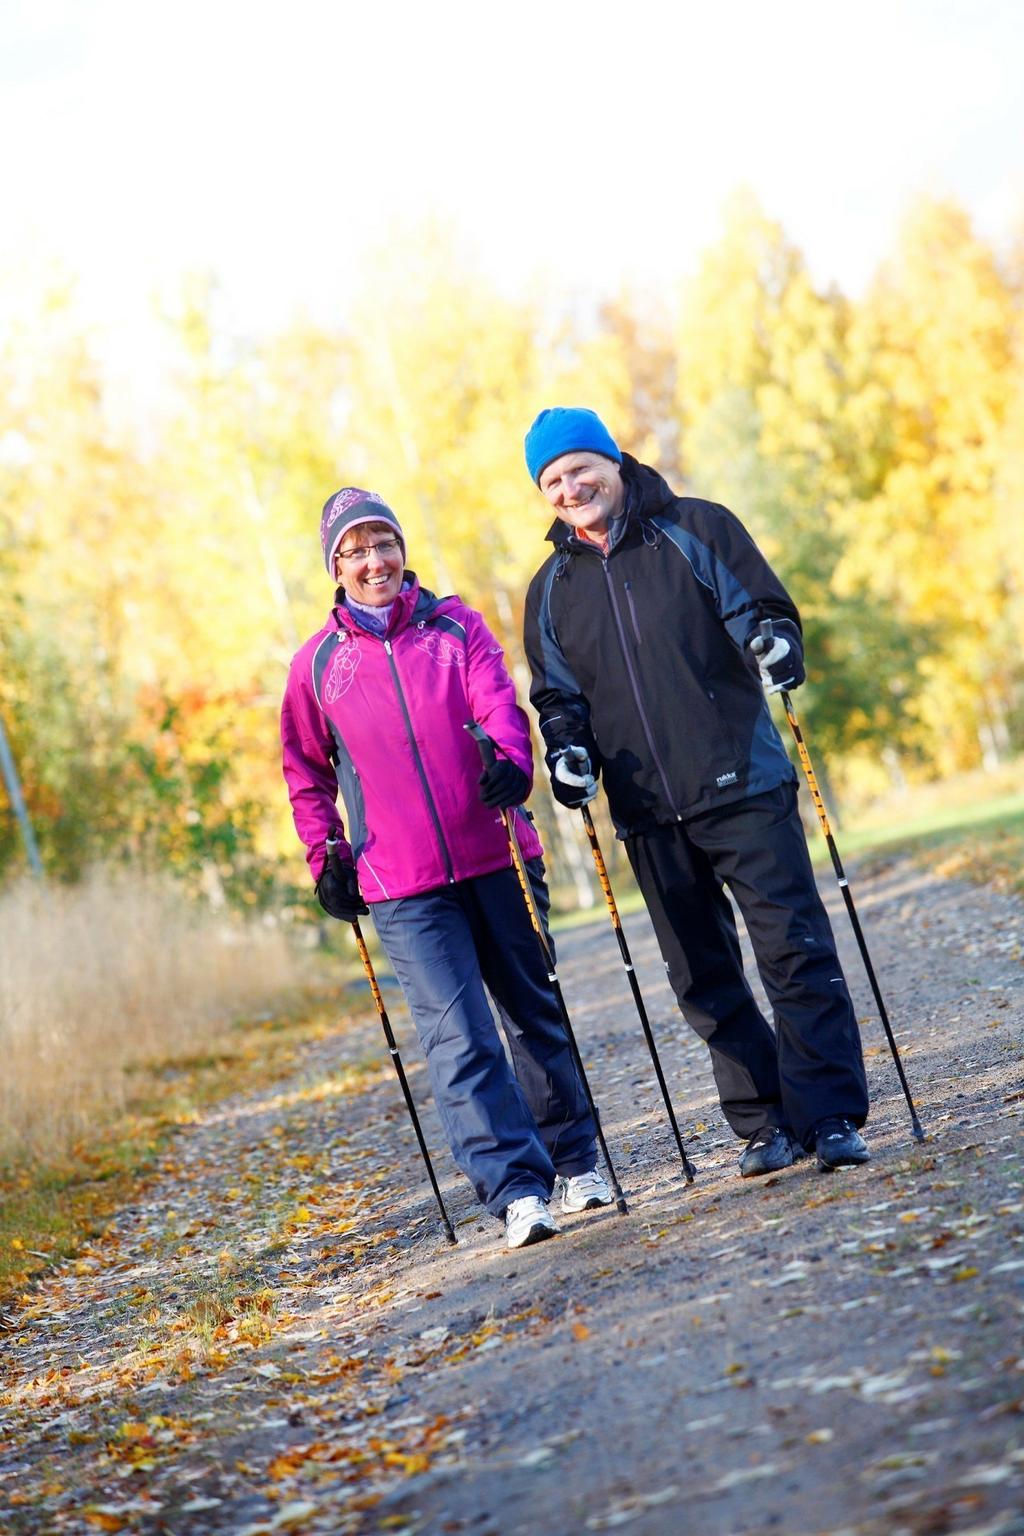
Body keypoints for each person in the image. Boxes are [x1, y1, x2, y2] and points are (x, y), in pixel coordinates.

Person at [522, 408, 870, 1178]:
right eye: (552, 479)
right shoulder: (549, 590)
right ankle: (764, 1124)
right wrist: (569, 756)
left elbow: (763, 611)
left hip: (743, 782)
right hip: (649, 812)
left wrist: (776, 644)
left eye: (581, 467)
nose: (570, 486)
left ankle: (832, 1115)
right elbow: (559, 701)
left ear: (613, 459)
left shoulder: (697, 528)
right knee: (702, 978)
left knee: (794, 952)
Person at [281, 485, 613, 1248]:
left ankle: (578, 1162)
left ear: (403, 549)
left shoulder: (454, 626)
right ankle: (518, 1193)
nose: (374, 561)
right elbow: (306, 770)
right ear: (336, 566)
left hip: (496, 852)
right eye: (356, 550)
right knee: (459, 1038)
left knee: (533, 1015)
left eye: (384, 543)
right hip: (401, 885)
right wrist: (325, 853)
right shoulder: (317, 666)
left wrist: (507, 758)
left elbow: (499, 701)